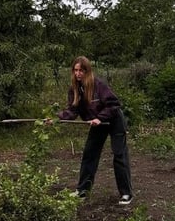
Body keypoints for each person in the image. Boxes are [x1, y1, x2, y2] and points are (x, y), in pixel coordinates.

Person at [55, 56, 133, 204]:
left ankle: (126, 193)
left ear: (87, 71)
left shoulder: (98, 85)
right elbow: (72, 111)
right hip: (96, 123)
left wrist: (101, 117)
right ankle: (82, 191)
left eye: (81, 70)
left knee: (119, 155)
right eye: (75, 70)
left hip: (113, 120)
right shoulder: (75, 89)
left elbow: (114, 104)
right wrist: (55, 119)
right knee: (89, 154)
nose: (78, 73)